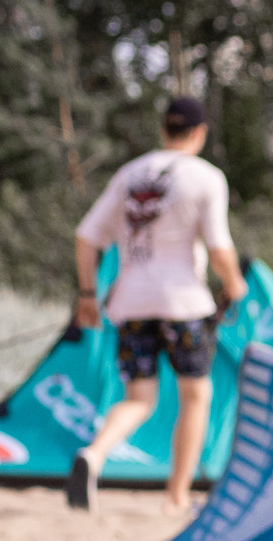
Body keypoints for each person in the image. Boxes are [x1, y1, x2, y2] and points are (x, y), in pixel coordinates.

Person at [67, 96, 245, 513]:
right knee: (196, 395)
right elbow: (219, 249)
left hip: (131, 303)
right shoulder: (206, 177)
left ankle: (94, 455)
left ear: (164, 129)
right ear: (200, 133)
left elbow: (85, 237)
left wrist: (88, 295)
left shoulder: (130, 173)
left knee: (139, 399)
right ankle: (177, 494)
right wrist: (235, 285)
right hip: (184, 303)